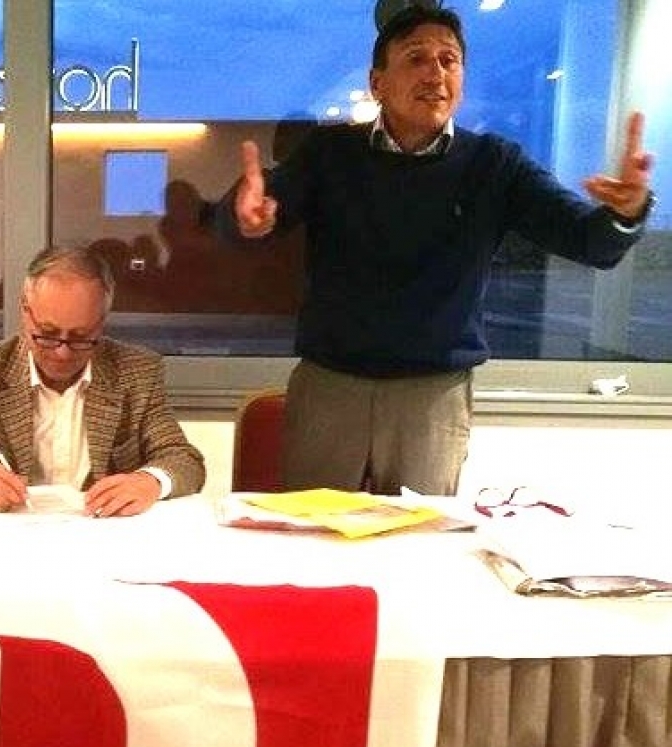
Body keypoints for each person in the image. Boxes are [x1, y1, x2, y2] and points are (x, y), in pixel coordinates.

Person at [217, 4, 654, 496]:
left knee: (422, 535)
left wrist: (628, 212)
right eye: (416, 58)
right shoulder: (328, 153)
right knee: (311, 529)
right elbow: (252, 216)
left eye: (449, 60)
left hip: (432, 394)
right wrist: (243, 218)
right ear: (378, 82)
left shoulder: (493, 164)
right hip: (331, 385)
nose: (435, 73)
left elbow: (590, 242)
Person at [0, 245, 206, 516]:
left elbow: (185, 460)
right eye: (48, 334)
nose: (62, 353)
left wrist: (150, 482)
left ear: (101, 323)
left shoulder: (136, 371)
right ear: (25, 312)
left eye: (81, 337)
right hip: (10, 543)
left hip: (103, 542)